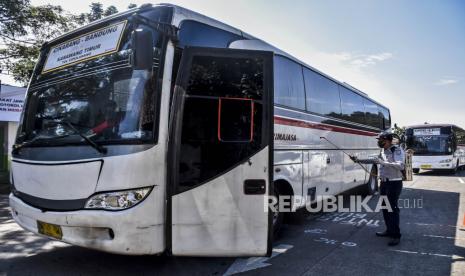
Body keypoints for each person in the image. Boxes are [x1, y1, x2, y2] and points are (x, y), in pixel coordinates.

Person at [351, 132, 405, 246]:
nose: (379, 141)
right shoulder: (383, 151)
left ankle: (396, 235)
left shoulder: (397, 150)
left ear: (389, 140)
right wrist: (358, 160)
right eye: (379, 139)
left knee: (392, 209)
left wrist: (383, 162)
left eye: (381, 139)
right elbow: (374, 161)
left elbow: (401, 165)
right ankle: (389, 230)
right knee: (385, 208)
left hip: (394, 184)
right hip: (384, 184)